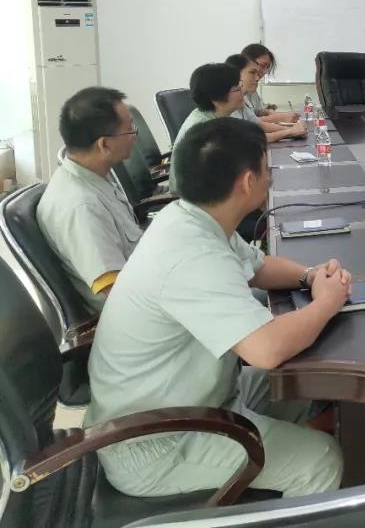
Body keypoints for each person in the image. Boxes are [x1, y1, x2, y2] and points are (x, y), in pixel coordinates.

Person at [86, 116, 348, 498]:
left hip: (195, 399)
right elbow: (265, 350)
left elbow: (258, 266)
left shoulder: (191, 217)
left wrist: (310, 276)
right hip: (157, 441)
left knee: (309, 381)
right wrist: (326, 302)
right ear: (247, 182)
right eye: (267, 168)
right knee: (322, 460)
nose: (271, 175)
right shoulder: (192, 255)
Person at [38, 87, 144, 309]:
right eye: (129, 129)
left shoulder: (94, 175)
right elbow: (118, 295)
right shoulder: (82, 206)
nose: (135, 135)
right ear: (104, 145)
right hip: (137, 314)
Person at [170, 63, 303, 193]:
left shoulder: (220, 114)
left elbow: (250, 136)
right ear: (216, 98)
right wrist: (289, 132)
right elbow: (250, 142)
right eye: (237, 89)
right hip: (194, 197)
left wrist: (288, 132)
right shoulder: (204, 127)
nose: (242, 93)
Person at [226, 54, 306, 137]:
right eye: (252, 72)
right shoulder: (229, 102)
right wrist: (289, 132)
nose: (257, 78)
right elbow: (247, 137)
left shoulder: (242, 99)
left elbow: (258, 124)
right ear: (236, 74)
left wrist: (291, 130)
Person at [240, 43, 298, 124]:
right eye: (263, 66)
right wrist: (280, 118)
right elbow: (245, 122)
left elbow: (256, 112)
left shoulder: (252, 86)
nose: (265, 72)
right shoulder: (232, 89)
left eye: (267, 67)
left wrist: (268, 112)